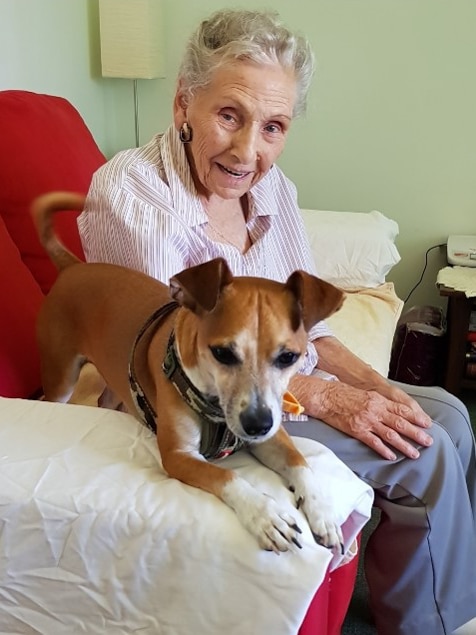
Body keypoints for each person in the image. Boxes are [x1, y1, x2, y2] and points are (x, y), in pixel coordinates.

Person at [78, 9, 476, 635]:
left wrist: (378, 387)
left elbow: (307, 331)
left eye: (273, 127)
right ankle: (432, 624)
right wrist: (320, 395)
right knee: (422, 456)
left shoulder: (274, 189)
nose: (248, 151)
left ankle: (428, 601)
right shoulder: (134, 195)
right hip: (209, 402)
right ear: (184, 103)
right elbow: (177, 357)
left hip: (276, 382)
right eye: (229, 115)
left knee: (448, 415)